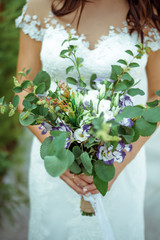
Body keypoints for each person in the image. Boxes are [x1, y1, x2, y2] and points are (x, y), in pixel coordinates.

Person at [16, 0, 160, 239]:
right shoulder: (39, 5)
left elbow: (157, 96)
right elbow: (24, 91)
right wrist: (58, 154)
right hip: (54, 155)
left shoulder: (148, 10)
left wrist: (119, 162)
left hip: (119, 160)